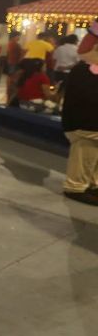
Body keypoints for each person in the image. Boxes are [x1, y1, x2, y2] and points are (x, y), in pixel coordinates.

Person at [61, 21, 98, 205]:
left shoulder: (83, 69)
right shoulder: (86, 70)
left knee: (92, 156)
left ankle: (92, 184)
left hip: (88, 123)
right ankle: (75, 187)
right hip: (86, 124)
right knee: (85, 154)